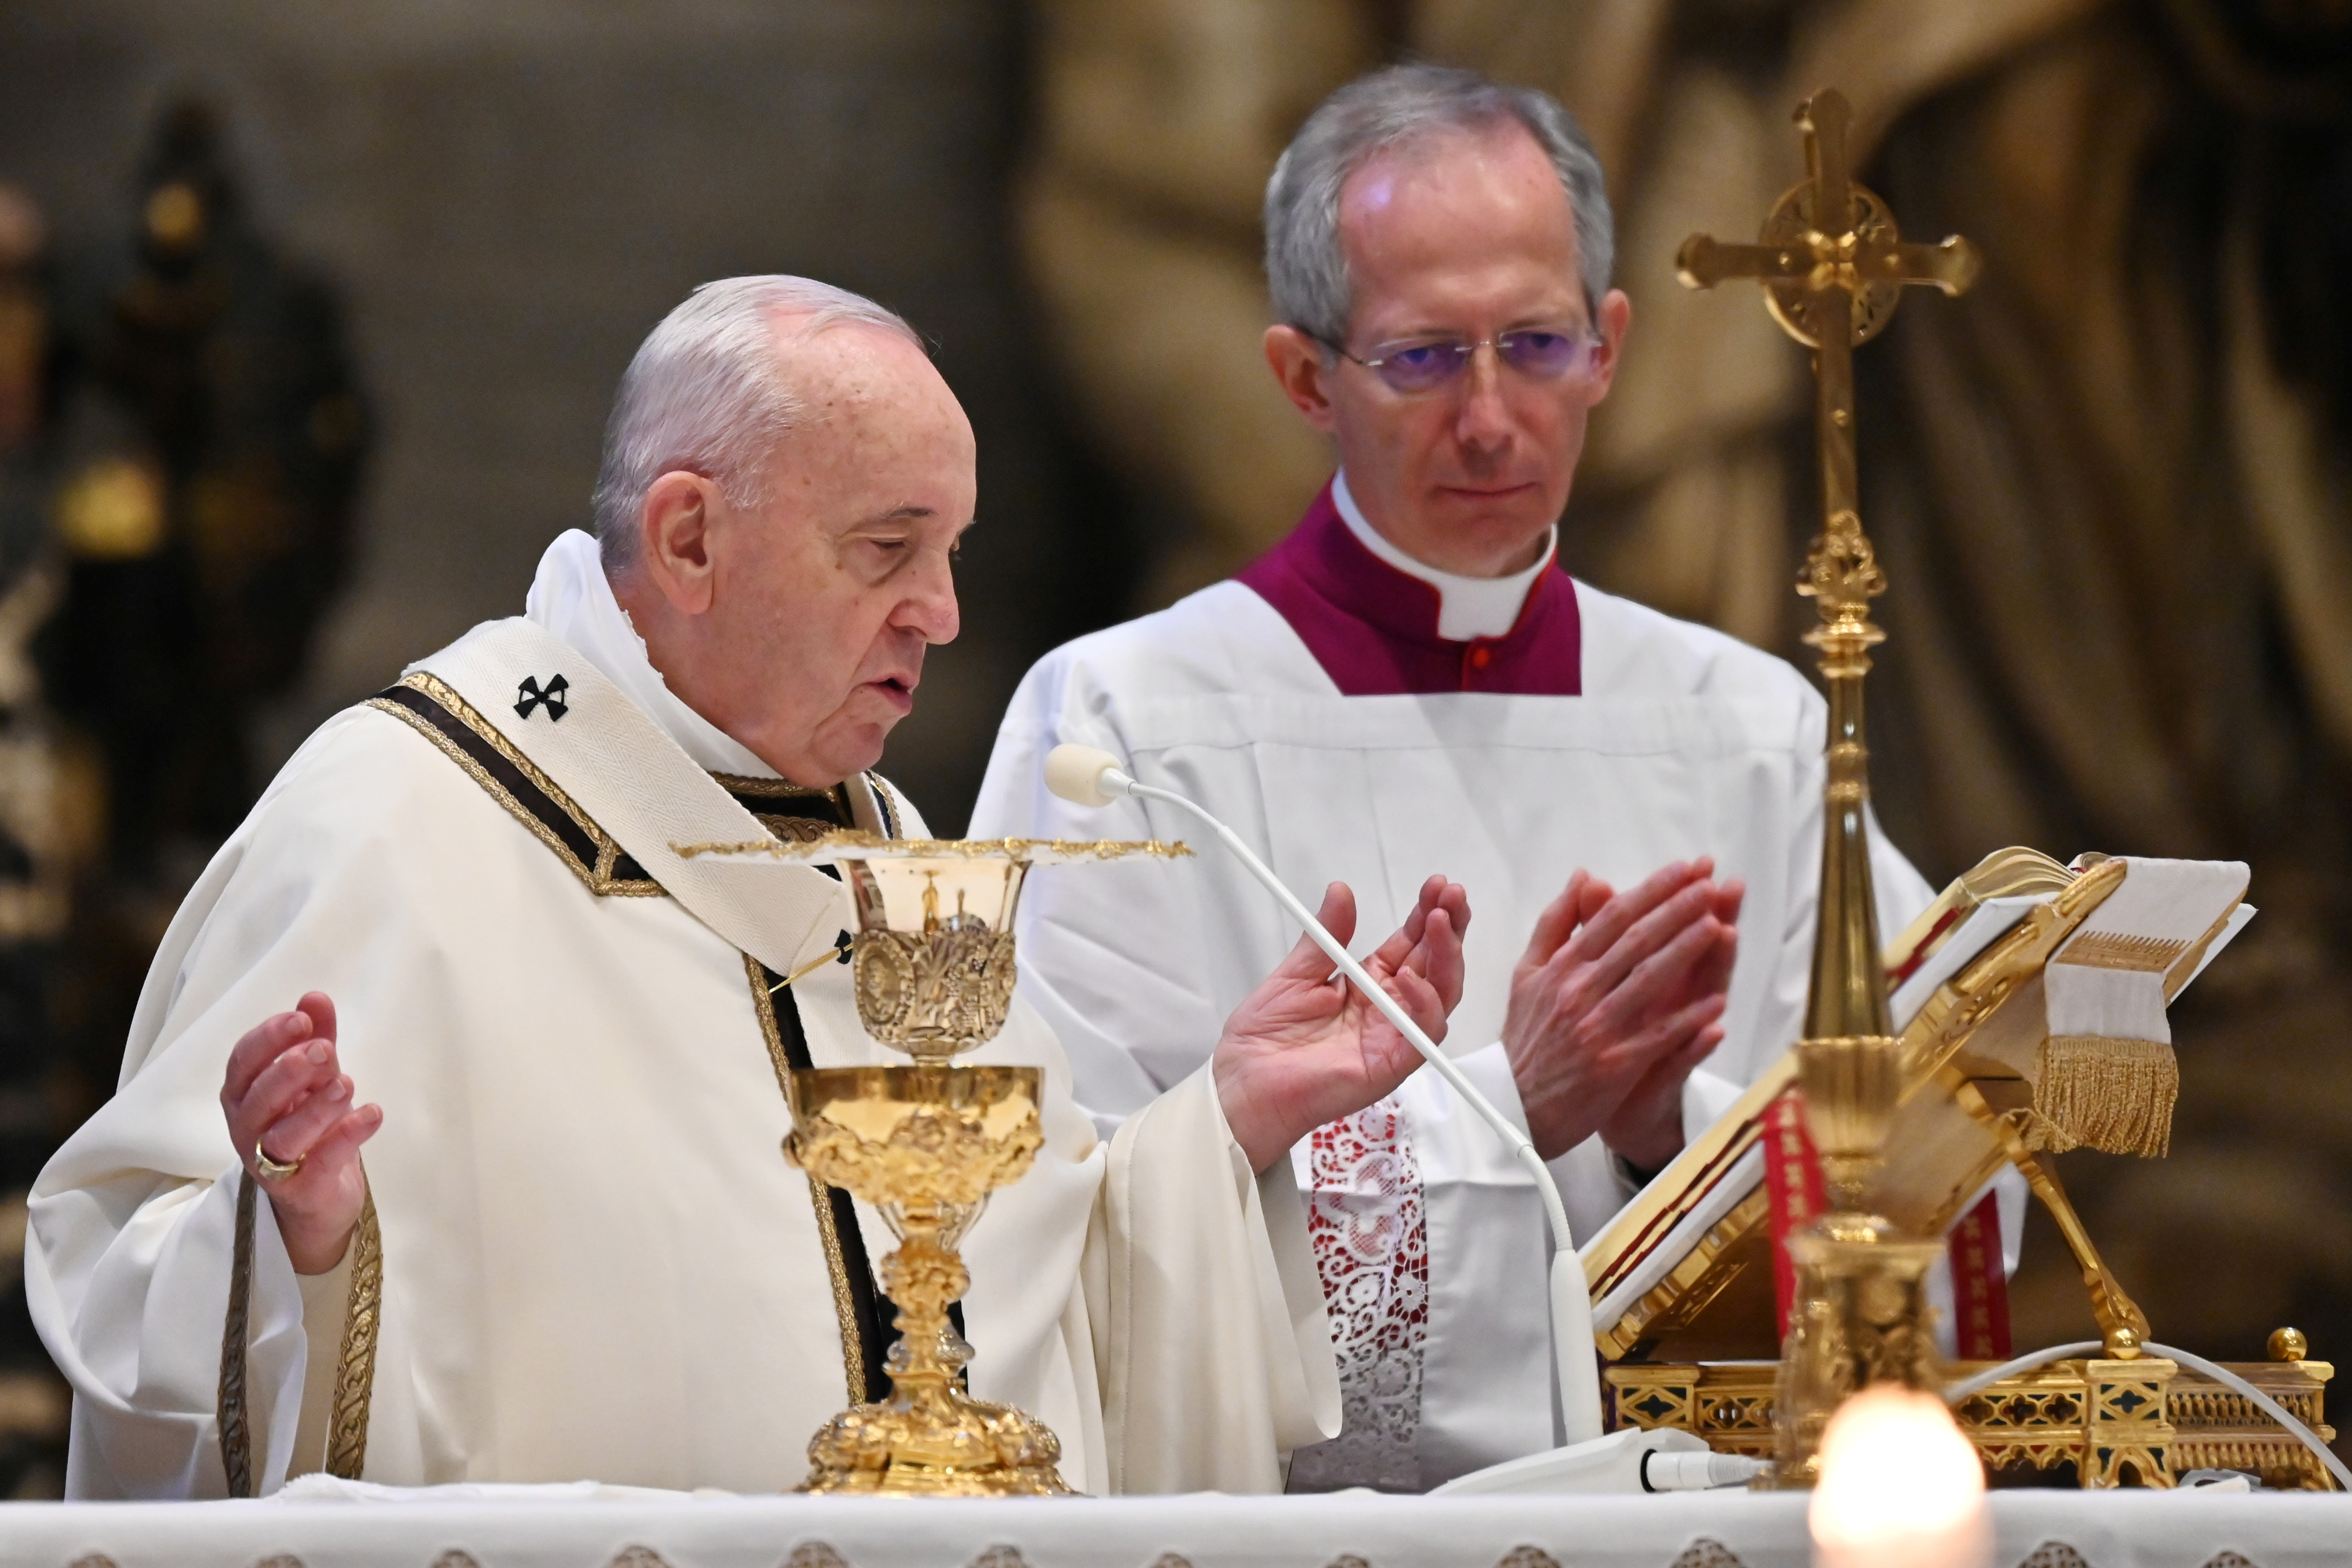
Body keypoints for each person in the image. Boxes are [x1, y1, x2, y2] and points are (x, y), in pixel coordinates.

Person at [25, 276, 1475, 1499]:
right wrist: (294, 1239)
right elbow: (130, 1305)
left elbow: (1021, 1312)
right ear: (690, 539)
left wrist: (1224, 1125)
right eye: (886, 548)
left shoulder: (887, 849)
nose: (943, 613)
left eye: (952, 552)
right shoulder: (400, 825)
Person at [969, 65, 1961, 1492]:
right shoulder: (1122, 723)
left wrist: (1651, 1138)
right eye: (1424, 358)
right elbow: (1081, 1232)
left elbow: (1910, 1188)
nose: (1493, 419)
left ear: (1611, 346)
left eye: (1537, 345)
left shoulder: (1747, 727)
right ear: (1303, 377)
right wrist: (1519, 1101)